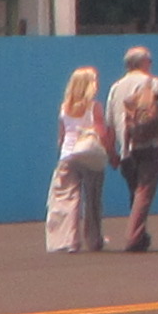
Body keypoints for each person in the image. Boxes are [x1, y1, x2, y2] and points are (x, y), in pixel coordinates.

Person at [104, 45, 158, 253]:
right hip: (150, 144)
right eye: (149, 60)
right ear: (143, 62)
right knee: (144, 191)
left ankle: (141, 235)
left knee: (136, 192)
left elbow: (109, 125)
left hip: (126, 147)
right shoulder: (153, 83)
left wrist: (112, 153)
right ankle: (134, 237)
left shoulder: (115, 88)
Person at [47, 66, 110, 253]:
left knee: (66, 199)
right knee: (92, 200)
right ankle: (94, 240)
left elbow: (61, 135)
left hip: (68, 155)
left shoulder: (64, 107)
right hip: (89, 155)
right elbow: (102, 133)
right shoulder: (94, 107)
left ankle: (68, 241)